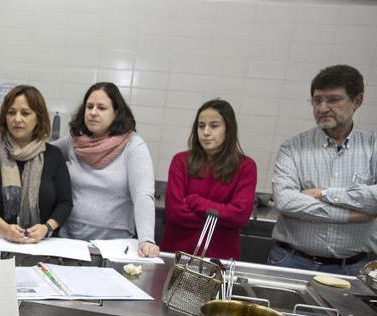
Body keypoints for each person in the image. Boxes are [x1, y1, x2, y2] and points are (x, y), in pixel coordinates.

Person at [270, 64, 376, 275]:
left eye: (333, 99)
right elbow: (285, 201)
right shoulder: (293, 147)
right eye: (317, 100)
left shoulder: (373, 147)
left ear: (357, 101)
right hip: (291, 260)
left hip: (353, 268)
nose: (322, 108)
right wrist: (351, 215)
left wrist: (324, 194)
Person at [52, 82, 159, 257]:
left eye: (101, 108)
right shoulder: (73, 142)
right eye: (89, 106)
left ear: (116, 113)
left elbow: (143, 195)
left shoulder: (133, 146)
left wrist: (147, 239)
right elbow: (44, 154)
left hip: (115, 245)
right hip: (69, 241)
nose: (93, 112)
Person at [0, 85, 71, 243]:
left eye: (25, 113)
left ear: (38, 117)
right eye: (11, 113)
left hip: (41, 244)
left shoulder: (54, 155)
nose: (17, 119)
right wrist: (4, 229)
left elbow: (65, 203)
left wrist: (46, 228)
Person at [162, 99, 257, 259]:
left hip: (218, 261)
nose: (205, 132)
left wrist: (195, 201)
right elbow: (174, 213)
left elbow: (239, 216)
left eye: (214, 126)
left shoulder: (246, 166)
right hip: (177, 255)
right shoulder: (180, 161)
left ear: (228, 129)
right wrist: (221, 218)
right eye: (201, 126)